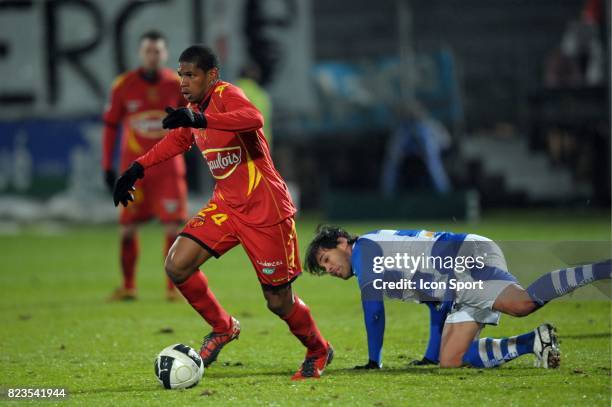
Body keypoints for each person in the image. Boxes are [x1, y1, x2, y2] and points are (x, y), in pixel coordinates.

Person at [112, 45, 333, 380]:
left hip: (265, 208)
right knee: (177, 264)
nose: (184, 81)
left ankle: (318, 349)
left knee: (277, 300)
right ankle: (222, 327)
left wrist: (203, 118)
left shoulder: (227, 94)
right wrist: (136, 168)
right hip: (226, 206)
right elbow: (178, 141)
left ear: (211, 75)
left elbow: (253, 118)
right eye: (182, 74)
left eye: (191, 75)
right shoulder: (192, 108)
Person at [304, 225, 611, 369]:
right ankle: (533, 342)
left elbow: (373, 311)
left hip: (463, 257)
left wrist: (374, 362)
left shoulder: (365, 253)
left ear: (343, 243)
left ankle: (601, 268)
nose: (329, 268)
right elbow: (434, 301)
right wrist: (430, 355)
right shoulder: (378, 254)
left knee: (522, 303)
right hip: (456, 268)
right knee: (450, 360)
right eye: (323, 267)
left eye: (327, 259)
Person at [102, 30, 186, 302]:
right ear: (140, 53)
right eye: (148, 51)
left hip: (169, 169)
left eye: (158, 51)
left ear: (165, 54)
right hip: (134, 169)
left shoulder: (177, 85)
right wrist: (107, 165)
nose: (153, 56)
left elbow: (193, 122)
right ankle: (129, 286)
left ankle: (173, 288)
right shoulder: (123, 85)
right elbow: (111, 126)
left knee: (173, 228)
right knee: (126, 229)